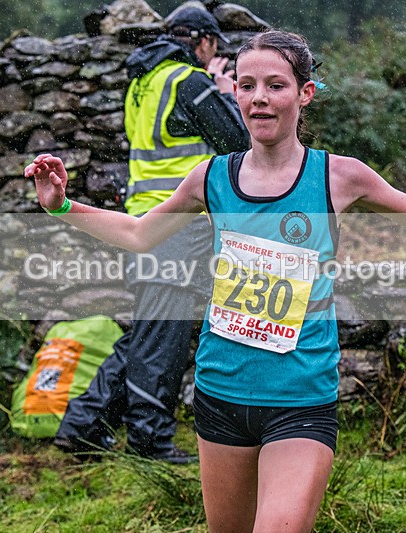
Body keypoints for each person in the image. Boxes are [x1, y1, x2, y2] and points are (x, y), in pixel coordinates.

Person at [27, 29, 406, 532]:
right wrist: (63, 206)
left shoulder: (340, 177)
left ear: (305, 93)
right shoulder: (209, 178)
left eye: (276, 85)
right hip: (220, 394)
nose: (260, 98)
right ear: (234, 93)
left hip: (300, 399)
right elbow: (141, 233)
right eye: (247, 85)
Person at [52, 6, 249, 464]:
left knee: (149, 331)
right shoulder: (189, 82)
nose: (214, 55)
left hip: (145, 217)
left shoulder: (143, 82)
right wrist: (223, 89)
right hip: (178, 226)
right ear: (202, 41)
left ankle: (82, 425)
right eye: (214, 47)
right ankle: (150, 442)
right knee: (164, 337)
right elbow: (239, 142)